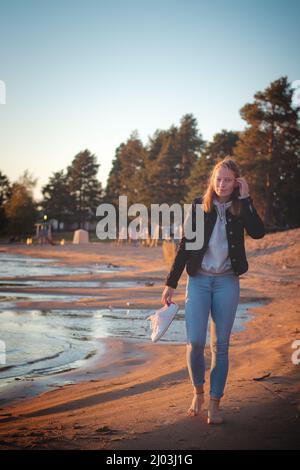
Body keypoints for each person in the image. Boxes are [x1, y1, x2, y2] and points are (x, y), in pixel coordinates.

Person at [161, 156, 265, 424]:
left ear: (236, 182)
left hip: (227, 281)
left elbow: (258, 233)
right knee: (195, 342)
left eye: (228, 180)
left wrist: (248, 199)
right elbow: (185, 244)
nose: (222, 184)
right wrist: (171, 283)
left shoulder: (241, 207)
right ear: (212, 180)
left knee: (220, 345)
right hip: (199, 281)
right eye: (218, 179)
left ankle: (215, 403)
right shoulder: (199, 206)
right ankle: (198, 392)